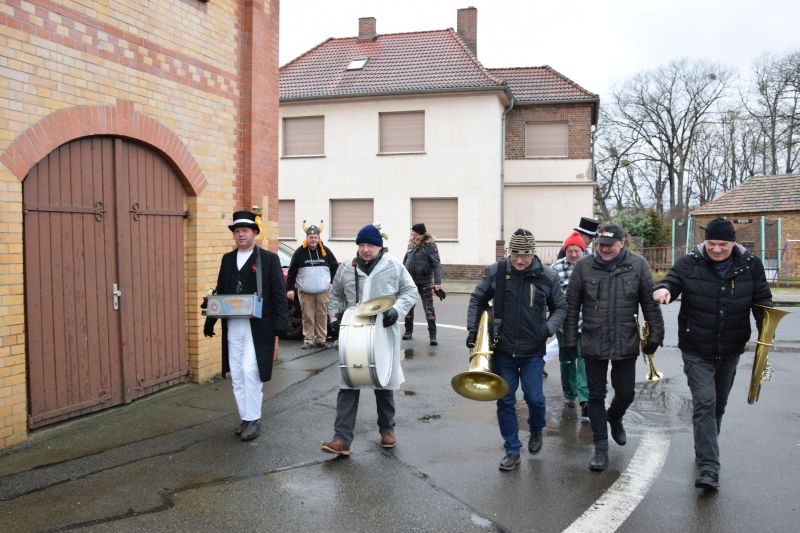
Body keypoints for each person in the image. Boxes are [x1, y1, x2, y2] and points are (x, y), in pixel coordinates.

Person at [652, 218, 772, 490]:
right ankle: (709, 468)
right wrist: (662, 289)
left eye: (723, 244)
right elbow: (671, 281)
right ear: (705, 242)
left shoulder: (750, 265)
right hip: (697, 348)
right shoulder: (690, 262)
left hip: (731, 347)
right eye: (712, 243)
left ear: (733, 243)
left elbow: (762, 300)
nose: (716, 249)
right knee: (705, 403)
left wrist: (767, 330)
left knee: (718, 406)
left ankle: (706, 447)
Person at [562, 223, 664, 471]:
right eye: (600, 245)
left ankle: (615, 417)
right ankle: (600, 448)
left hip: (624, 340)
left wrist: (656, 334)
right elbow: (572, 306)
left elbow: (649, 304)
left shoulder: (638, 265)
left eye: (609, 245)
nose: (604, 249)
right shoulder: (583, 267)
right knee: (594, 397)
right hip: (593, 340)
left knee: (626, 393)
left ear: (622, 243)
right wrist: (567, 341)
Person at [466, 228, 567, 471]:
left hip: (533, 351)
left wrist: (547, 330)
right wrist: (473, 332)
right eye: (516, 255)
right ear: (509, 252)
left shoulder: (547, 276)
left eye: (526, 256)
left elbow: (561, 307)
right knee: (505, 401)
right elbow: (477, 299)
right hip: (502, 350)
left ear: (533, 254)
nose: (520, 261)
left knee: (535, 398)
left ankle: (535, 429)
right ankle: (512, 449)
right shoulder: (498, 272)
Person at [321, 224, 417, 456]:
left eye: (370, 245)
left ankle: (387, 430)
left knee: (383, 381)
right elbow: (335, 296)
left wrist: (397, 310)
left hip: (383, 333)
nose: (365, 250)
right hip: (353, 334)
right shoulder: (346, 268)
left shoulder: (394, 266)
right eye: (361, 245)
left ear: (379, 246)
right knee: (349, 383)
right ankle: (341, 439)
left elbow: (410, 291)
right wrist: (334, 318)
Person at [204, 211, 288, 441]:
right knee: (238, 373)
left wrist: (281, 323)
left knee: (252, 371)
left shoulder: (269, 259)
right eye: (237, 231)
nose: (241, 235)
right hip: (234, 325)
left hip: (259, 327)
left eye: (245, 230)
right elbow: (220, 292)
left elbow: (279, 294)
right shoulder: (227, 259)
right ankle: (245, 416)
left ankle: (254, 419)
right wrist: (210, 319)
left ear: (254, 233)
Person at [551, 231, 589, 419]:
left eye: (577, 251)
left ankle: (585, 398)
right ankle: (569, 394)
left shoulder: (592, 266)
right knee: (567, 361)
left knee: (583, 359)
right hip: (564, 326)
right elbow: (548, 296)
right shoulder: (555, 268)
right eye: (570, 251)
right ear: (565, 251)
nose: (573, 254)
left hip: (586, 324)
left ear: (583, 250)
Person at [286, 222, 339, 349]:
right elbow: (292, 271)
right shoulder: (299, 252)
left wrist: (332, 282)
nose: (313, 239)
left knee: (321, 315)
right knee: (307, 316)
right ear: (306, 238)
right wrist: (290, 289)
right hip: (305, 291)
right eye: (311, 237)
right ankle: (308, 340)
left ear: (318, 238)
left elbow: (334, 267)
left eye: (315, 237)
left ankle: (321, 339)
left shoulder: (325, 251)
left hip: (323, 291)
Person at [402, 223, 443, 345]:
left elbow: (436, 264)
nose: (411, 233)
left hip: (425, 282)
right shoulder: (411, 244)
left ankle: (433, 335)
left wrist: (438, 283)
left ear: (419, 232)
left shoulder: (430, 245)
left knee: (428, 308)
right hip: (410, 282)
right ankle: (408, 332)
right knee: (408, 306)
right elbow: (405, 261)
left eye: (413, 231)